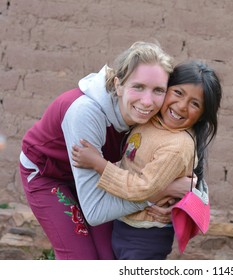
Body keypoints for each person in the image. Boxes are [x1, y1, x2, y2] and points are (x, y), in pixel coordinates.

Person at [19, 41, 194, 260]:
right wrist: (160, 191)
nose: (147, 101)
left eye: (158, 90)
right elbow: (95, 212)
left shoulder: (153, 113)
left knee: (108, 255)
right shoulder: (85, 113)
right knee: (82, 259)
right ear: (118, 84)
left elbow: (185, 160)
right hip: (49, 175)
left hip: (97, 173)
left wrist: (191, 192)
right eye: (138, 87)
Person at [71, 60, 222, 259]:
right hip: (124, 224)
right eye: (177, 93)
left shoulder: (178, 146)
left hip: (145, 236)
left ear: (203, 115)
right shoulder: (150, 119)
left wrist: (98, 164)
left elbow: (142, 187)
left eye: (195, 104)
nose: (182, 106)